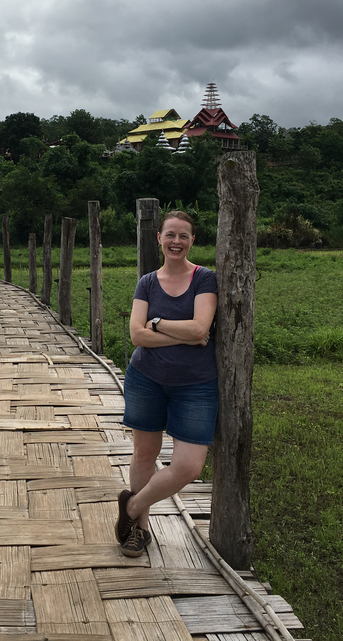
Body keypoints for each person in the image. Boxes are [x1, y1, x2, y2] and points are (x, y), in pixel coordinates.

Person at [116, 210, 218, 557]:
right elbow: (135, 335)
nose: (176, 241)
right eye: (170, 234)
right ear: (158, 238)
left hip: (195, 384)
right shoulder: (146, 282)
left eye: (183, 235)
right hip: (146, 379)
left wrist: (158, 323)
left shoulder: (205, 279)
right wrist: (183, 334)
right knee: (145, 454)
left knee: (189, 465)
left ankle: (131, 507)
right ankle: (139, 531)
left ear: (192, 241)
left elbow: (200, 329)